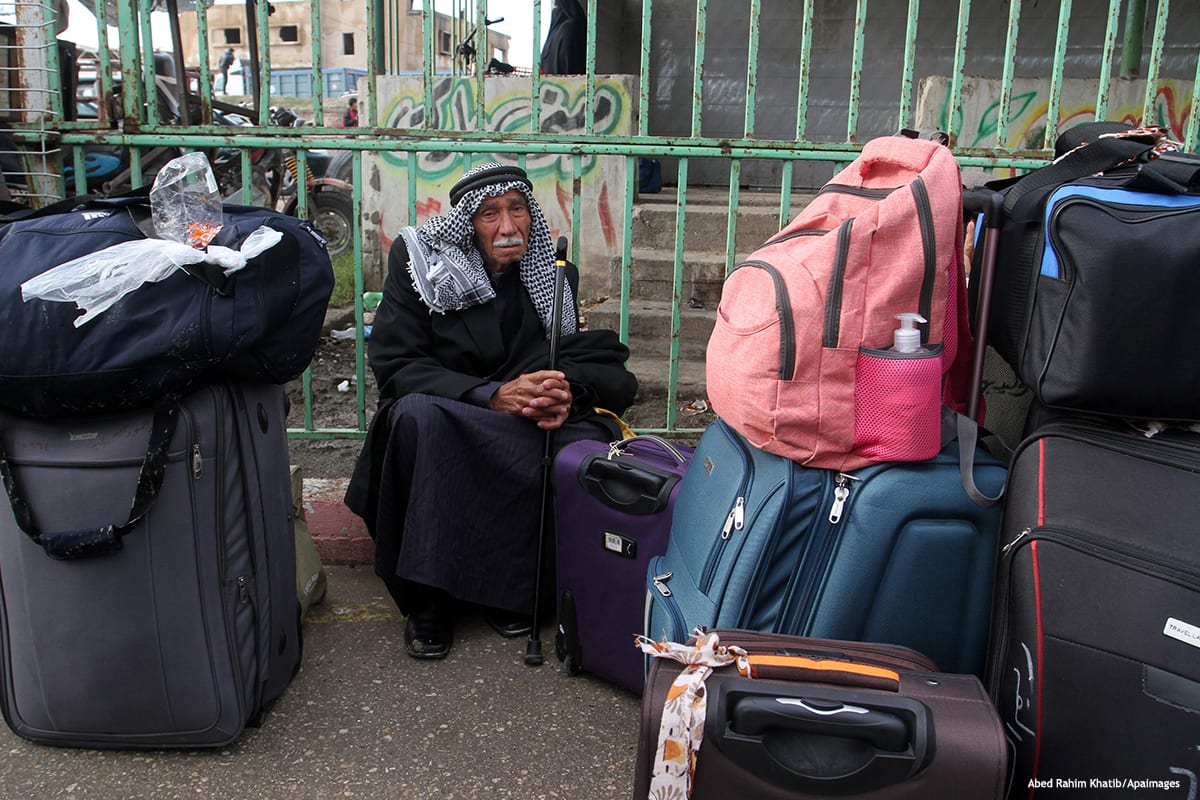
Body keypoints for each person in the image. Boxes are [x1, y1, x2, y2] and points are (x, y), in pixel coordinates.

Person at [345, 163, 638, 660]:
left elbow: (578, 354)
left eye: (517, 210)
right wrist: (493, 395)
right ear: (466, 224)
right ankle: (430, 599)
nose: (508, 227)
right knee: (419, 420)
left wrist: (560, 392)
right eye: (489, 215)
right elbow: (397, 366)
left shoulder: (551, 270)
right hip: (454, 406)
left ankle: (511, 590)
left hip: (520, 419)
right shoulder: (419, 266)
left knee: (576, 435)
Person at [539, 0, 586, 75]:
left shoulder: (569, 28)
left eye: (556, 6)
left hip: (554, 84)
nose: (554, 9)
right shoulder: (561, 30)